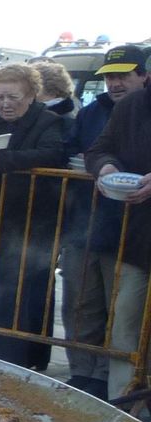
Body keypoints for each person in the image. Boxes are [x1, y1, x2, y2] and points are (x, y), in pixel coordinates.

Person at [0, 62, 67, 369]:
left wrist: (3, 161)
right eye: (0, 97)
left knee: (17, 298)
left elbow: (52, 153)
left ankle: (16, 363)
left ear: (31, 95)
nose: (5, 104)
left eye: (13, 97)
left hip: (30, 222)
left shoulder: (48, 122)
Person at [64, 45, 146, 397]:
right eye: (110, 76)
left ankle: (123, 391)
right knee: (113, 318)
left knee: (125, 318)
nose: (114, 83)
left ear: (141, 75)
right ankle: (116, 398)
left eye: (122, 75)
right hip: (124, 233)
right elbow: (94, 149)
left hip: (129, 232)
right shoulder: (122, 108)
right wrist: (105, 166)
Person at [83, 68, 151, 404]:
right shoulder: (132, 105)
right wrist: (106, 167)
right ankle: (123, 406)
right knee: (125, 324)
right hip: (139, 239)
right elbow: (98, 150)